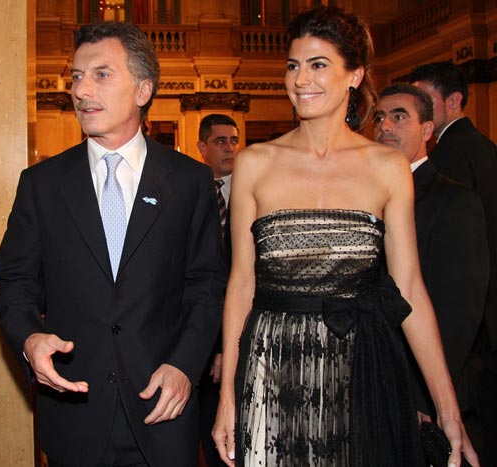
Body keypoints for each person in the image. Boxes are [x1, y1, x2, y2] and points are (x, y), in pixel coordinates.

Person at [212, 6, 478, 467]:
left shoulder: (388, 168)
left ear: (354, 75)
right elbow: (241, 285)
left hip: (361, 367)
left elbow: (409, 289)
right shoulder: (255, 163)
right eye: (293, 65)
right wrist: (228, 397)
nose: (301, 79)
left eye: (318, 64)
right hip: (272, 366)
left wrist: (448, 411)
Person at [0, 22, 226, 467]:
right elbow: (16, 282)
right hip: (75, 412)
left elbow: (206, 286)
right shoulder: (42, 184)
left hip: (162, 409)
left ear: (143, 89)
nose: (81, 90)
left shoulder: (189, 181)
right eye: (76, 76)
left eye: (101, 74)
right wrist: (29, 338)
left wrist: (184, 366)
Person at [373, 83, 489, 423]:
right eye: (379, 117)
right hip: (373, 379)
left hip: (421, 392)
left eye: (399, 117)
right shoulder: (364, 196)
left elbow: (460, 310)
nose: (385, 126)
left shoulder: (454, 201)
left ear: (427, 130)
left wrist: (428, 397)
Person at [410, 62, 497, 466]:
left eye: (424, 101)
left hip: (461, 336)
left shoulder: (447, 157)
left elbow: (450, 276)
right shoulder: (486, 147)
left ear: (454, 100)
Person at [197, 114, 240, 467]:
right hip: (201, 330)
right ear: (202, 147)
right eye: (220, 141)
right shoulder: (190, 190)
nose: (230, 148)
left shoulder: (250, 188)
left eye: (234, 140)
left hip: (242, 326)